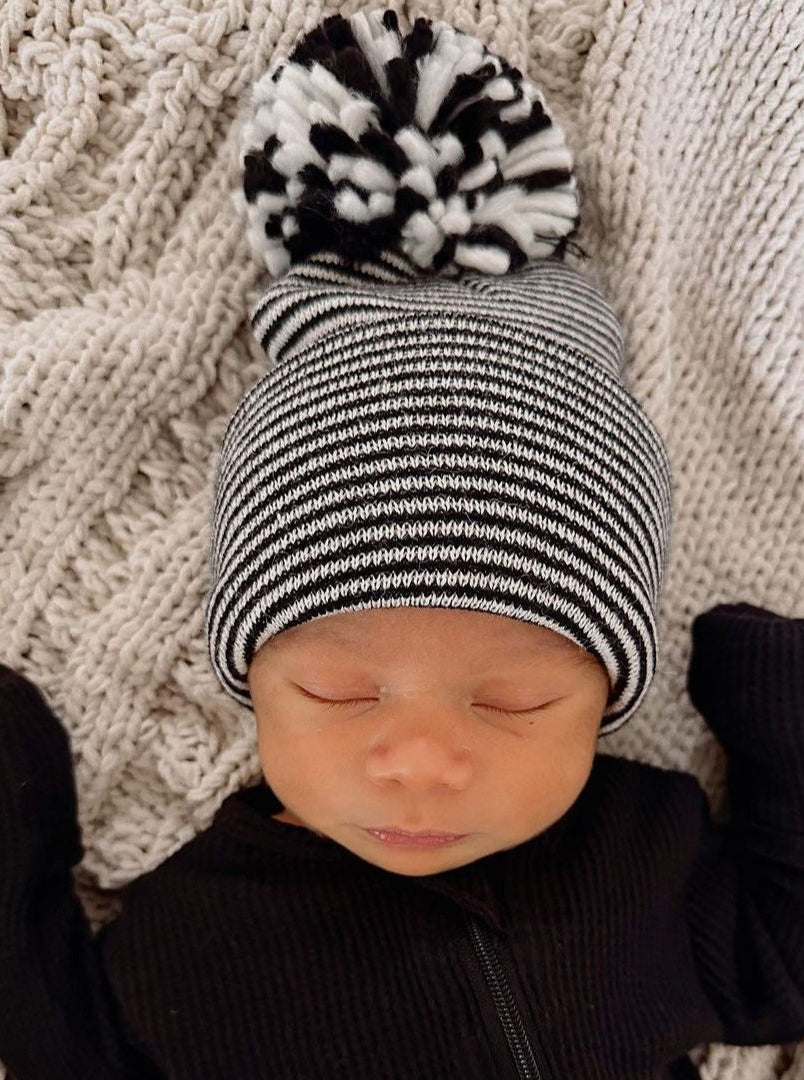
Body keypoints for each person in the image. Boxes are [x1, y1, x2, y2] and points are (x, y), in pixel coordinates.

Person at [1, 9, 802, 1079]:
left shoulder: (645, 869)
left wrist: (779, 715)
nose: (421, 761)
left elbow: (783, 958)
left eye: (517, 701)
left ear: (611, 692)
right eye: (335, 690)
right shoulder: (199, 932)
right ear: (250, 672)